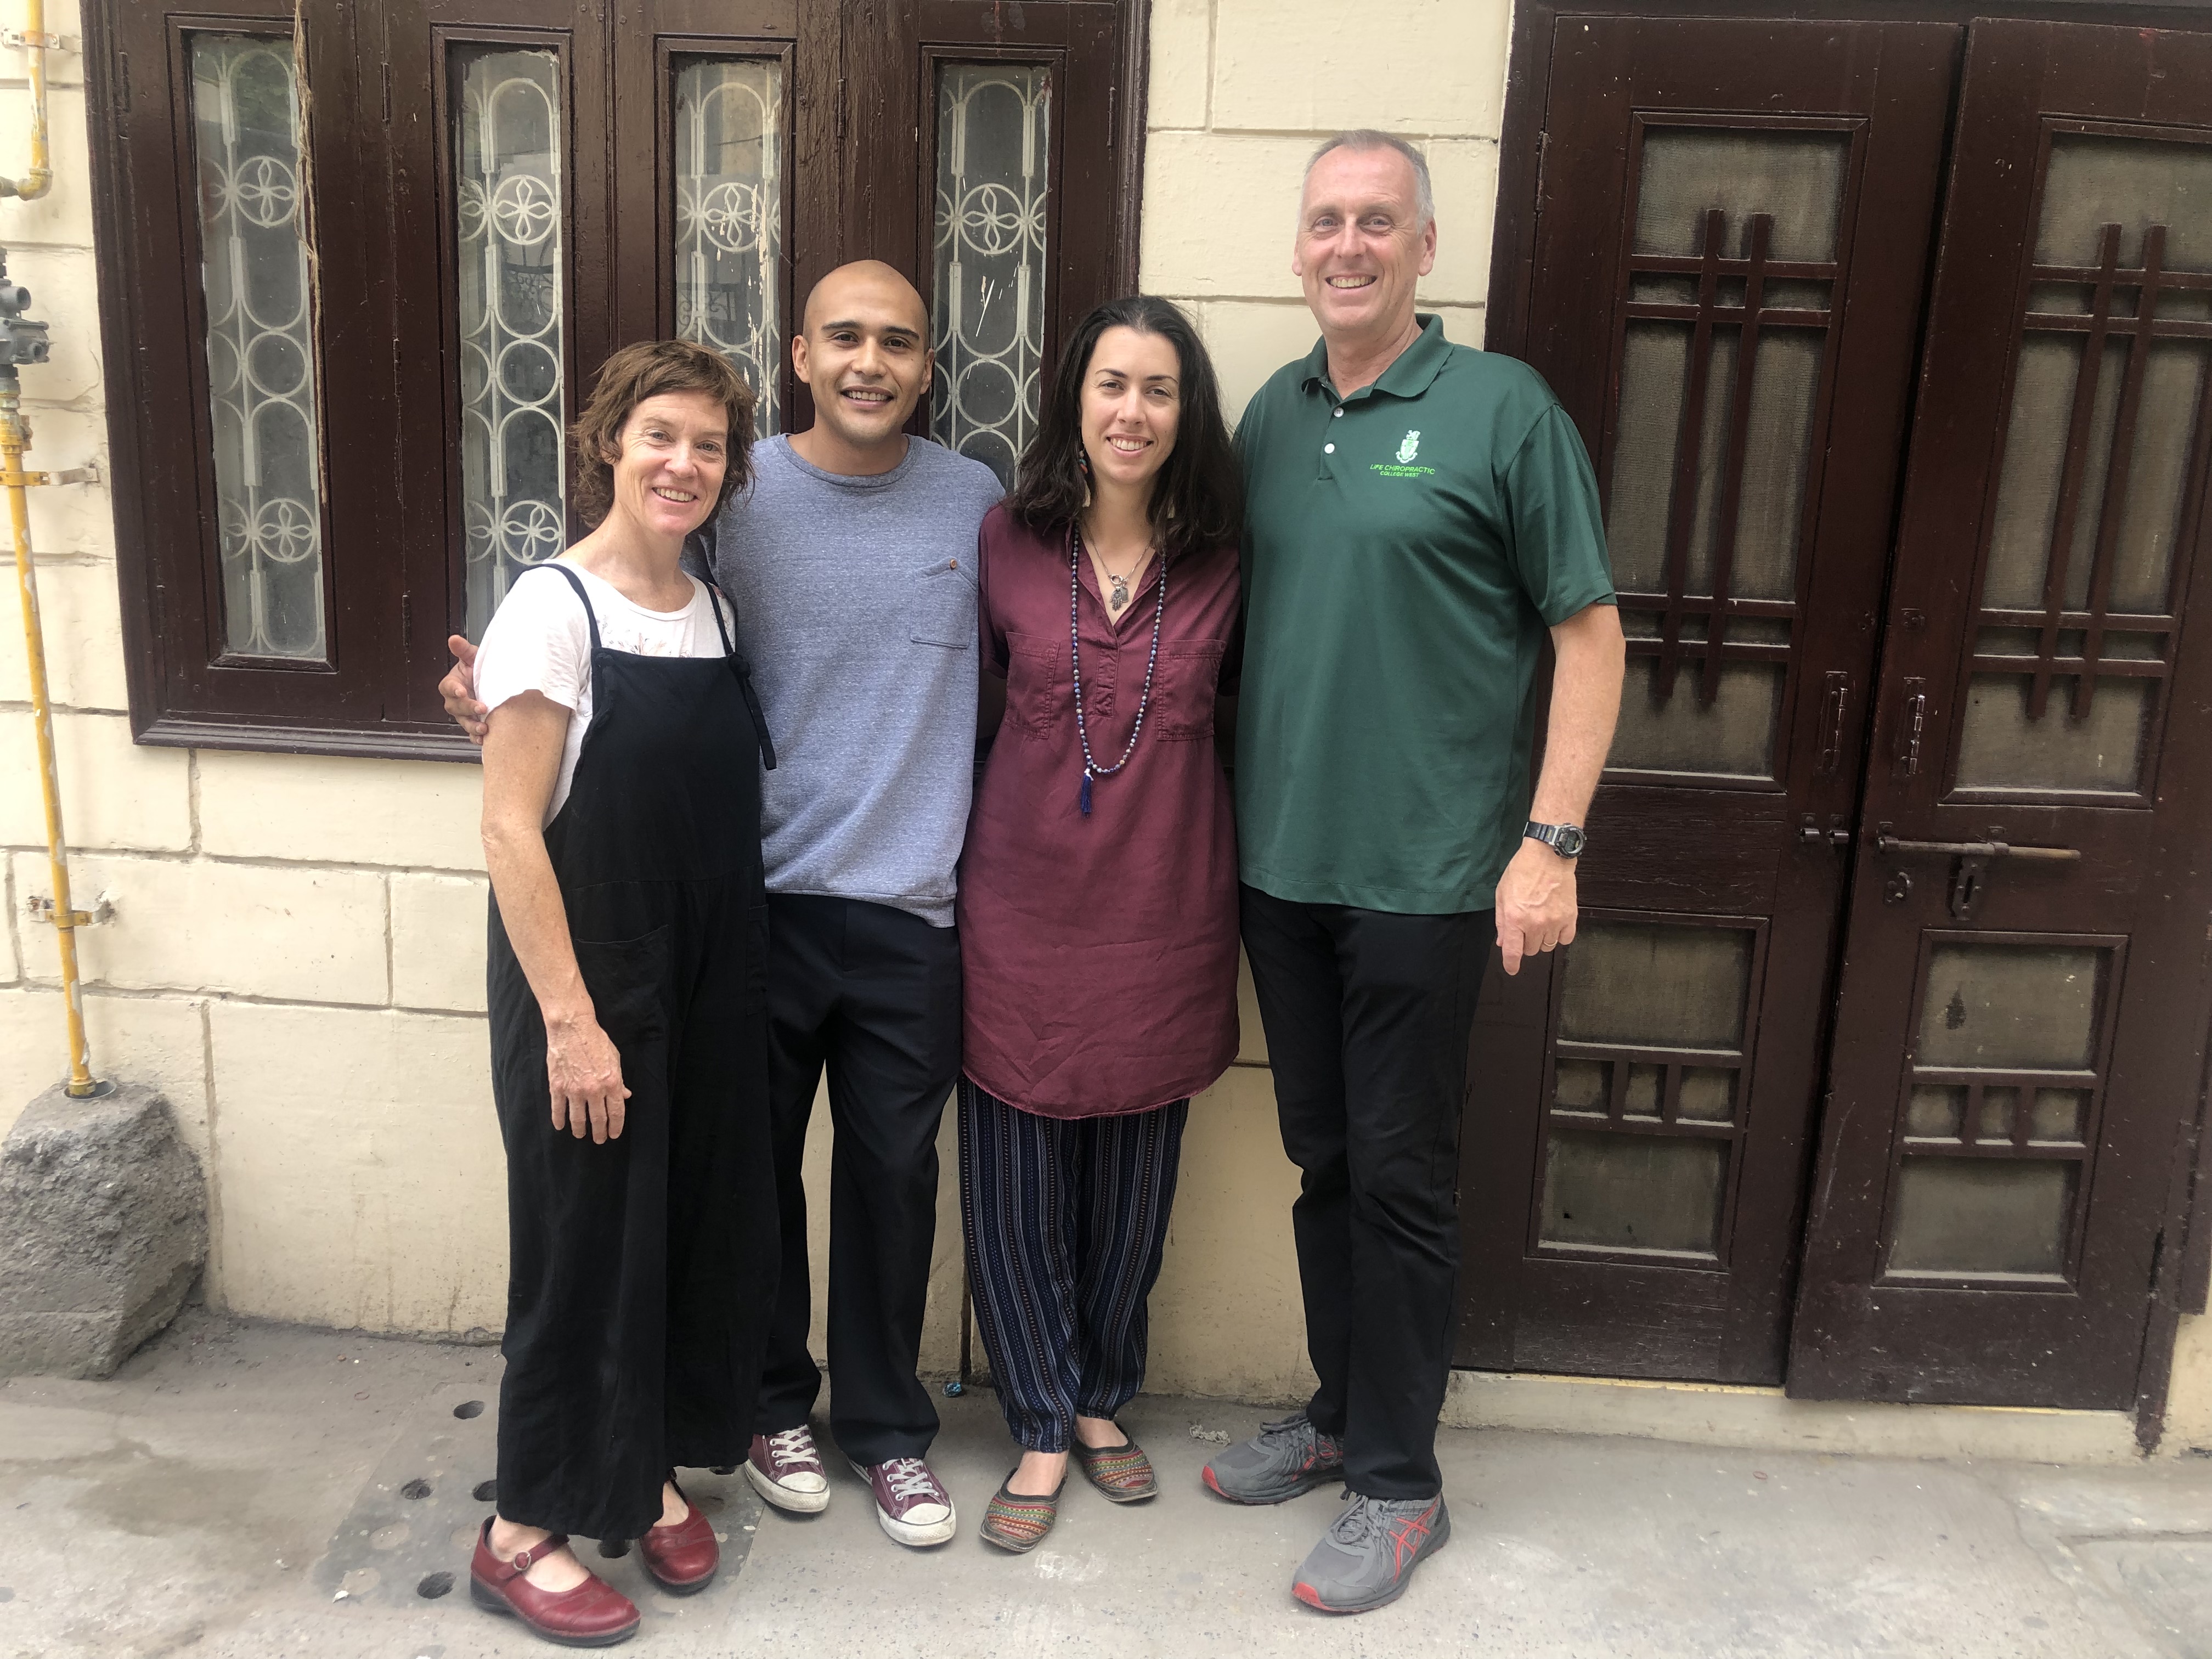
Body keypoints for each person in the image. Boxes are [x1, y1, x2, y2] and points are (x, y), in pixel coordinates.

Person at [447, 262, 1002, 1550]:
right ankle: (725, 1431)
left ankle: (848, 1437)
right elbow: (541, 763)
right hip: (729, 925)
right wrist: (497, 709)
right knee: (682, 1209)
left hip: (849, 921)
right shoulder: (651, 557)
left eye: (901, 342)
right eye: (846, 338)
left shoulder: (943, 513)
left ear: (927, 365)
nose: (872, 361)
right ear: (803, 354)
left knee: (824, 1190)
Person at [1200, 132, 1626, 1613]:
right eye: (1327, 220)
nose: (1348, 245)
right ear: (1301, 244)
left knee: (1403, 1180)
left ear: (1426, 248)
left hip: (1432, 879)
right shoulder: (1269, 418)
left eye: (1378, 221)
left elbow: (1588, 634)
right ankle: (1340, 1416)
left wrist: (1550, 843)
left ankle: (1401, 1482)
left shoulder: (1505, 412)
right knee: (1326, 1162)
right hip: (1285, 871)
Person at [466, 340, 778, 1646]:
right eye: (661, 435)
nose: (683, 464)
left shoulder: (712, 607)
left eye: (707, 445)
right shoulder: (554, 607)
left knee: (682, 1234)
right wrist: (573, 1023)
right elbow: (509, 831)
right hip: (591, 989)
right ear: (609, 442)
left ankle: (639, 1465)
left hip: (706, 987)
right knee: (583, 1251)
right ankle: (518, 1530)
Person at [956, 296, 1244, 1552]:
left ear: (1189, 416)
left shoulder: (1231, 559)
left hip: (1168, 912)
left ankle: (1099, 1399)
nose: (1133, 411)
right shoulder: (1004, 542)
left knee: (1136, 1175)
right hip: (1018, 906)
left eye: (1161, 390)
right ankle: (1034, 1413)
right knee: (1015, 1172)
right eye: (1112, 383)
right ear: (1076, 397)